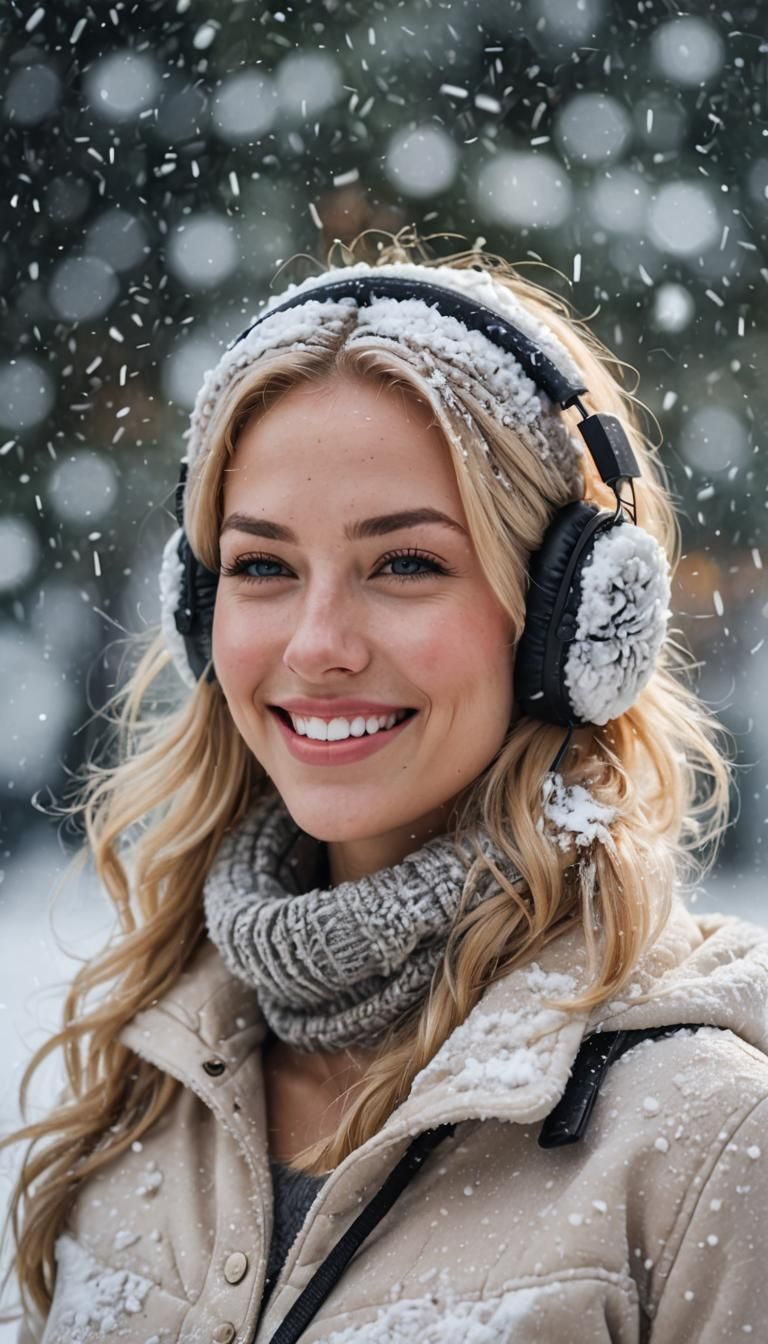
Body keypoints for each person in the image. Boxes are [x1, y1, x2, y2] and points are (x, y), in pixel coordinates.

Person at [3, 232, 768, 1344]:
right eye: (262, 565)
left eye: (405, 563)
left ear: (574, 620)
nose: (316, 646)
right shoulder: (144, 1075)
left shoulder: (701, 1141)